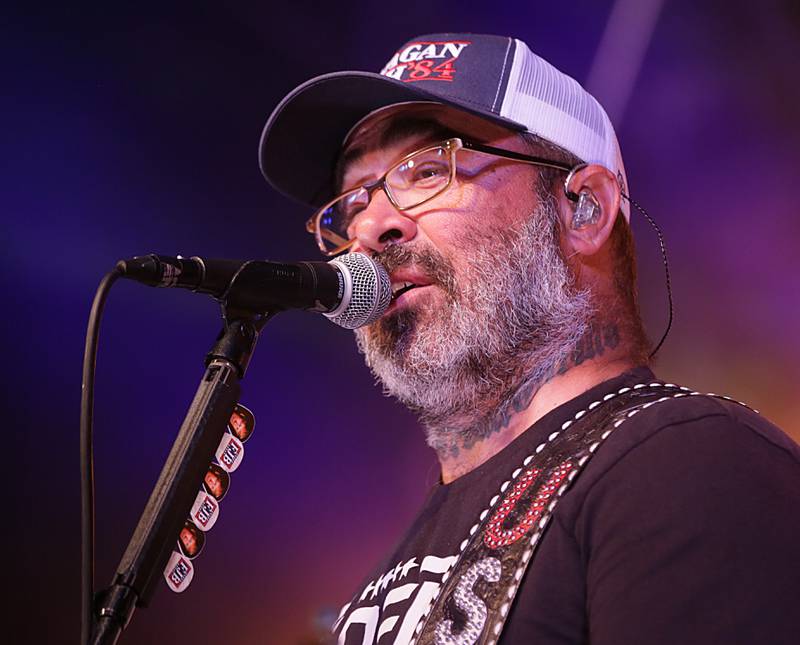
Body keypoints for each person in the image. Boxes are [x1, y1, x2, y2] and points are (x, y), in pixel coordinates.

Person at [258, 33, 800, 644]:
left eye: (430, 169)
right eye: (351, 204)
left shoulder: (691, 462)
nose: (371, 226)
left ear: (584, 208)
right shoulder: (398, 565)